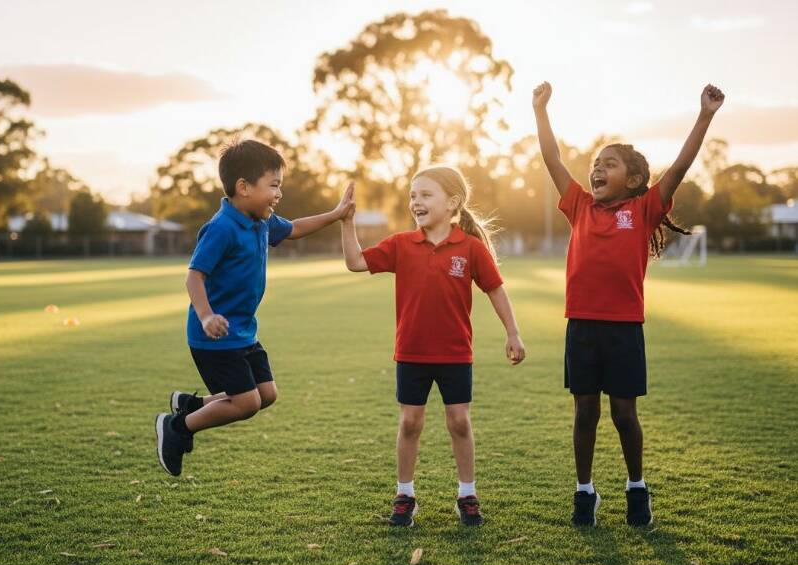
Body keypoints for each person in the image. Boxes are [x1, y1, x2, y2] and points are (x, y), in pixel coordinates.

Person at [532, 81, 725, 526]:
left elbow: (680, 166)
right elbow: (552, 158)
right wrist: (541, 111)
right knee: (585, 413)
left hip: (623, 330)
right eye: (596, 164)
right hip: (580, 327)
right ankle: (585, 493)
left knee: (623, 414)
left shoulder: (642, 210)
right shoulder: (578, 205)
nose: (597, 170)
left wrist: (705, 115)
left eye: (609, 165)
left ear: (634, 180)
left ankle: (636, 488)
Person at [155, 138, 354, 477]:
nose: (279, 194)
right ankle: (177, 427)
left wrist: (336, 215)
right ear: (243, 187)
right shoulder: (222, 228)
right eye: (273, 185)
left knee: (266, 394)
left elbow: (295, 229)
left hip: (243, 332)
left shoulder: (262, 221)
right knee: (246, 403)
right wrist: (206, 316)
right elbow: (194, 277)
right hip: (215, 338)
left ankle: (191, 405)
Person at [340, 165, 526, 526]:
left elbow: (495, 290)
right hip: (411, 353)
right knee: (410, 423)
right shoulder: (400, 245)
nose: (416, 202)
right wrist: (347, 223)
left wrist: (513, 333)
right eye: (413, 196)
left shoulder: (470, 248)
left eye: (426, 195)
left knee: (459, 422)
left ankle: (467, 494)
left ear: (452, 201)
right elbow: (355, 262)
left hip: (455, 354)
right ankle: (404, 495)